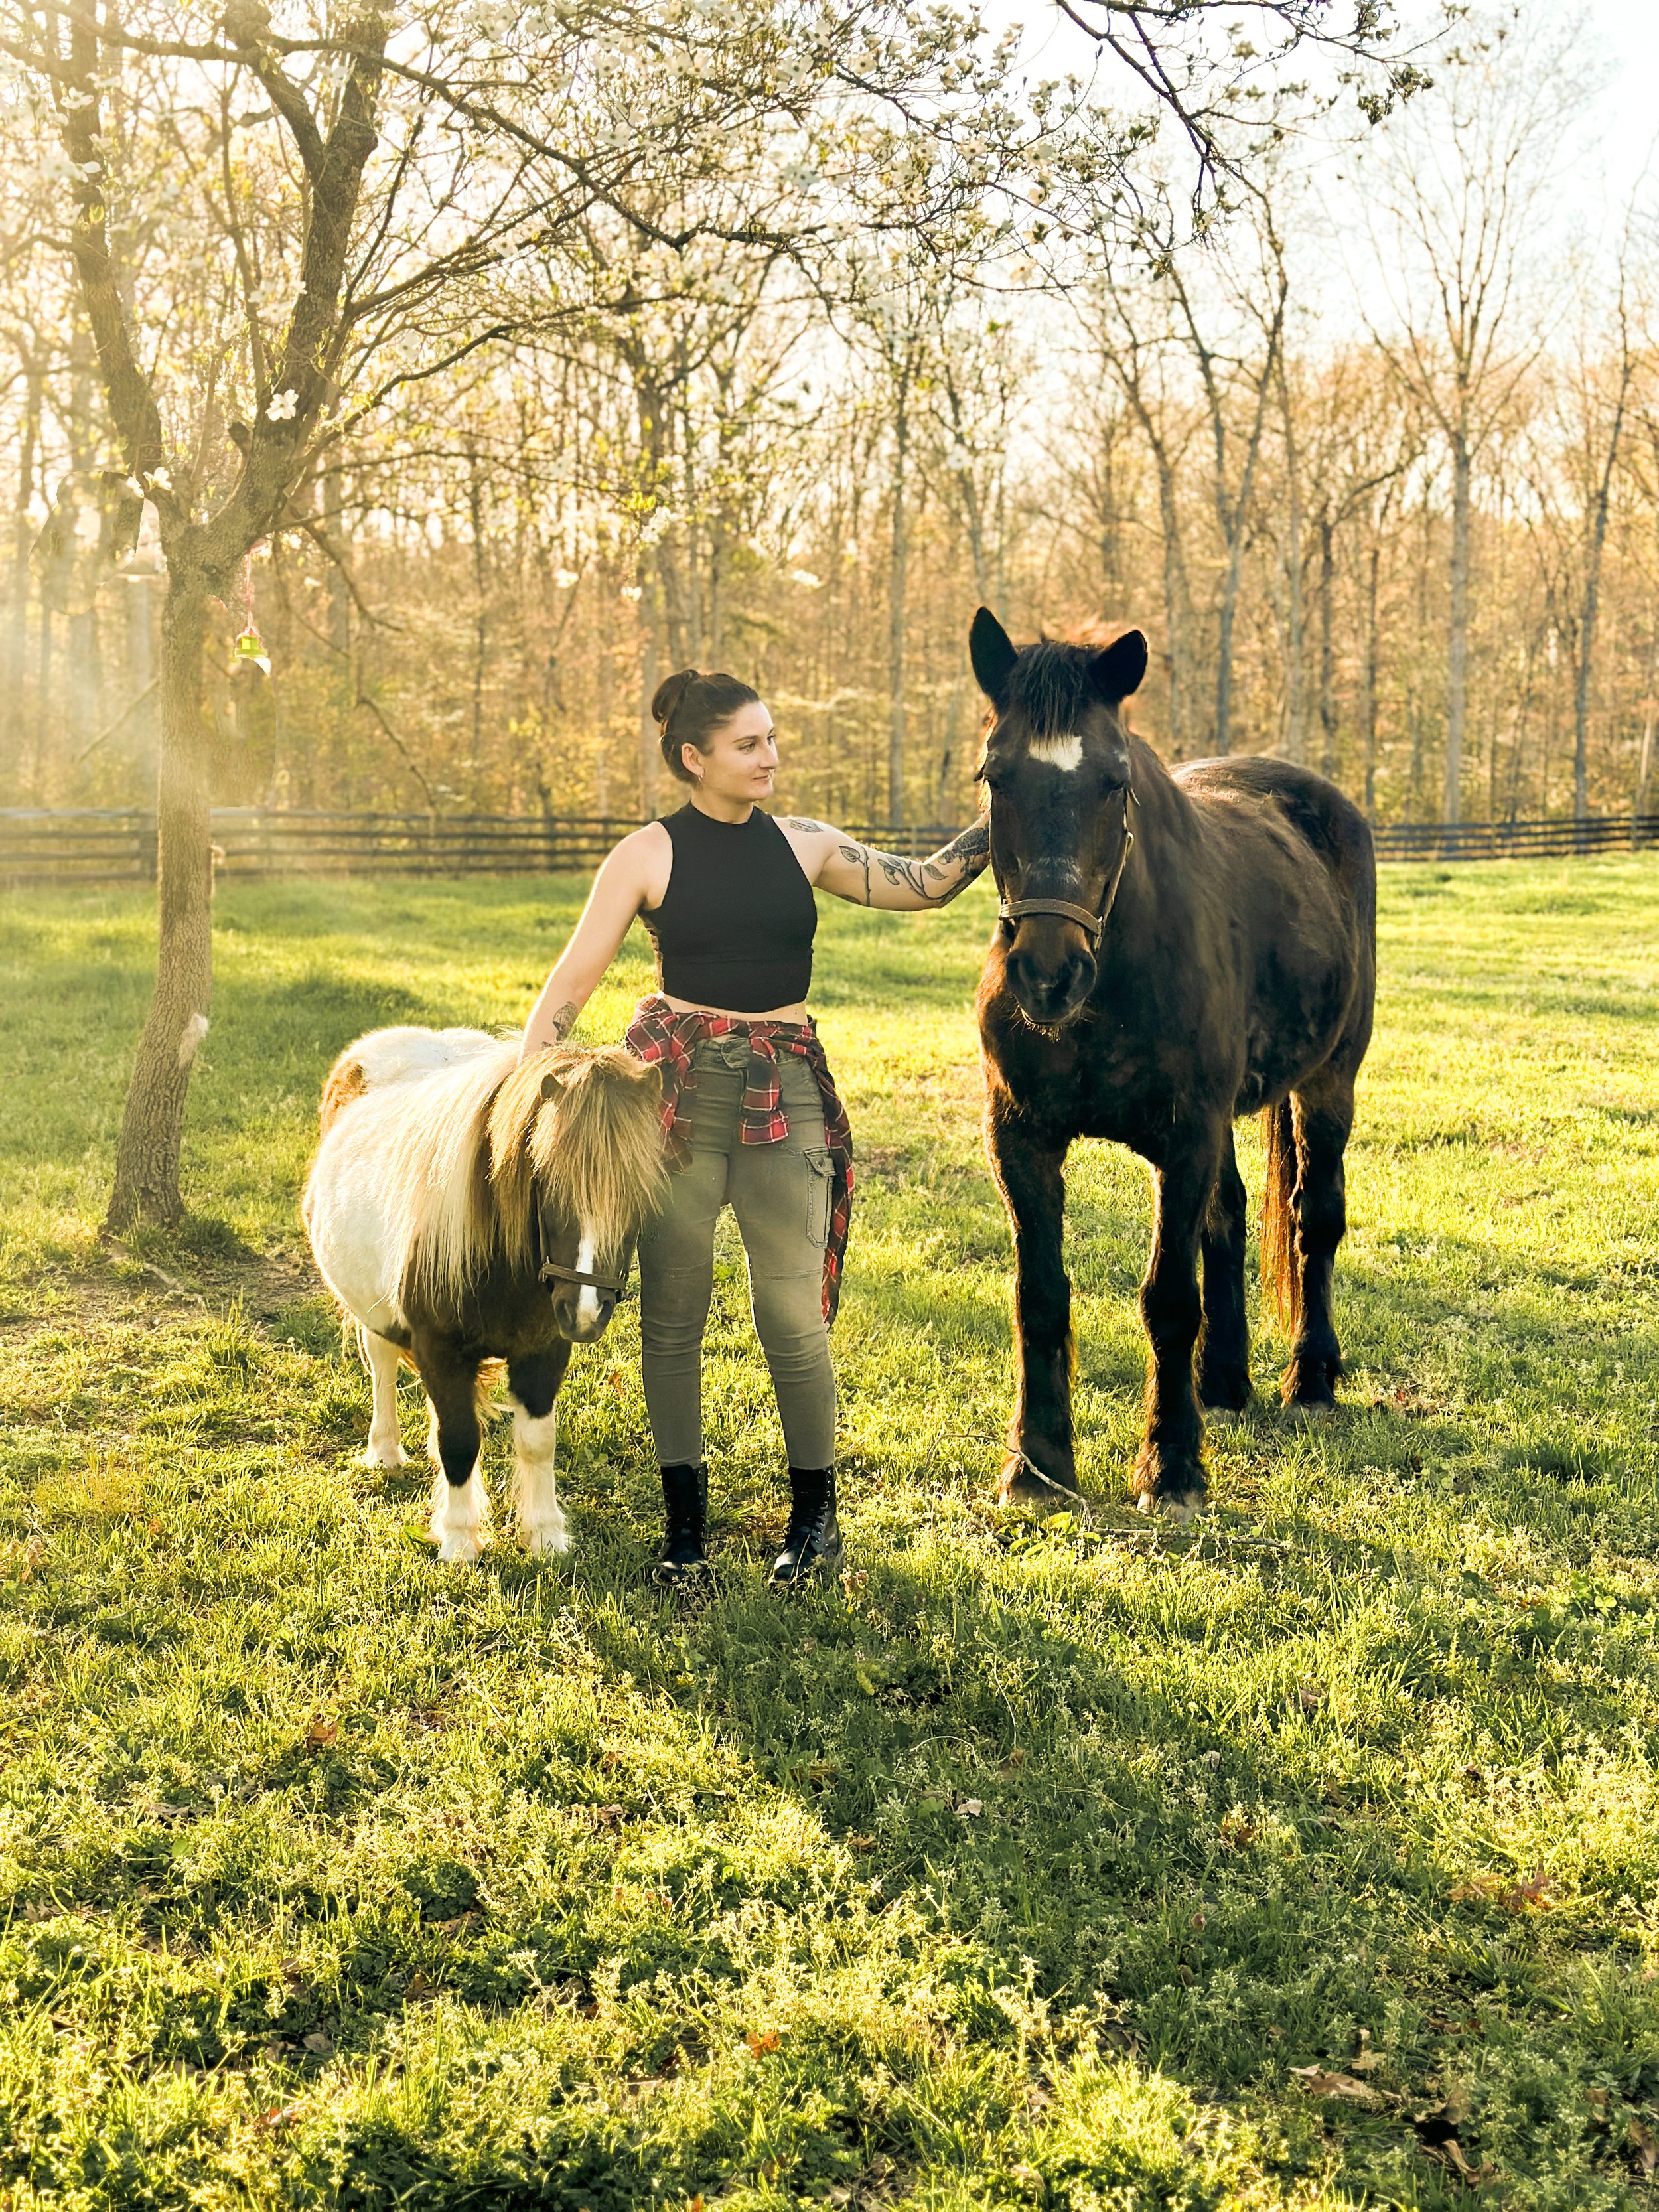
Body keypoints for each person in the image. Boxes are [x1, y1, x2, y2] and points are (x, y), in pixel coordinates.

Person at [519, 668, 991, 1587]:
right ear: (694, 758)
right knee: (674, 1317)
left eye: (772, 739)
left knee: (794, 1318)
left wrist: (1008, 814)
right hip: (678, 1098)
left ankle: (816, 1527)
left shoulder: (805, 844)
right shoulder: (646, 854)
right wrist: (524, 1082)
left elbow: (925, 885)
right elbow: (573, 984)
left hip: (787, 1092)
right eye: (748, 744)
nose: (769, 756)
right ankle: (684, 1534)